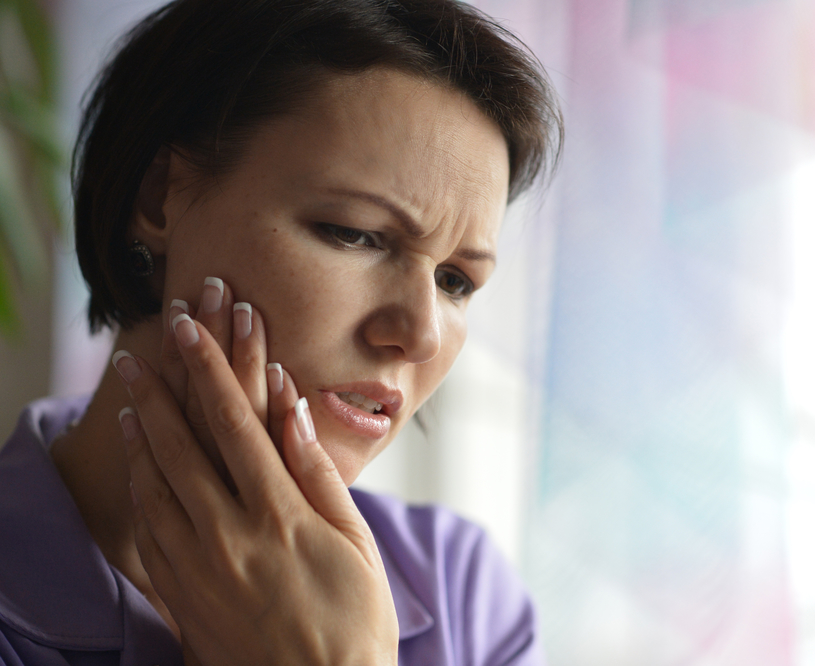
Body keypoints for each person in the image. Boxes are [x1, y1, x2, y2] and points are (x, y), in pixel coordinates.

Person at [0, 1, 562, 664]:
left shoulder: (462, 595)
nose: (421, 335)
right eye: (354, 233)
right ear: (160, 198)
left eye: (456, 281)